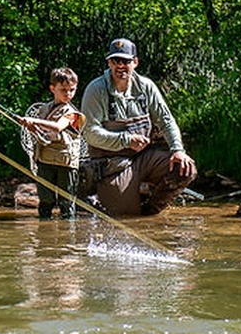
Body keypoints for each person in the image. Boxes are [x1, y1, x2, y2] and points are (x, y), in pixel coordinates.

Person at [80, 38, 197, 216]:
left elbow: (166, 120)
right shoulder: (96, 90)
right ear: (109, 63)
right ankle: (92, 196)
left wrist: (177, 149)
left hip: (143, 158)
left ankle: (151, 211)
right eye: (116, 61)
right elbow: (90, 133)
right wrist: (126, 140)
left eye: (126, 61)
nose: (121, 66)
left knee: (185, 169)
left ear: (135, 62)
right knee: (126, 217)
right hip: (112, 164)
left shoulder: (146, 86)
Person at [19, 67, 86, 220]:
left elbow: (58, 127)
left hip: (66, 164)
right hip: (44, 160)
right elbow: (39, 133)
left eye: (72, 90)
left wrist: (33, 121)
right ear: (52, 89)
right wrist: (30, 126)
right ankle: (44, 237)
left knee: (66, 203)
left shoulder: (73, 114)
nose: (68, 94)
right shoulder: (44, 110)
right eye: (63, 90)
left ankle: (69, 238)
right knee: (45, 201)